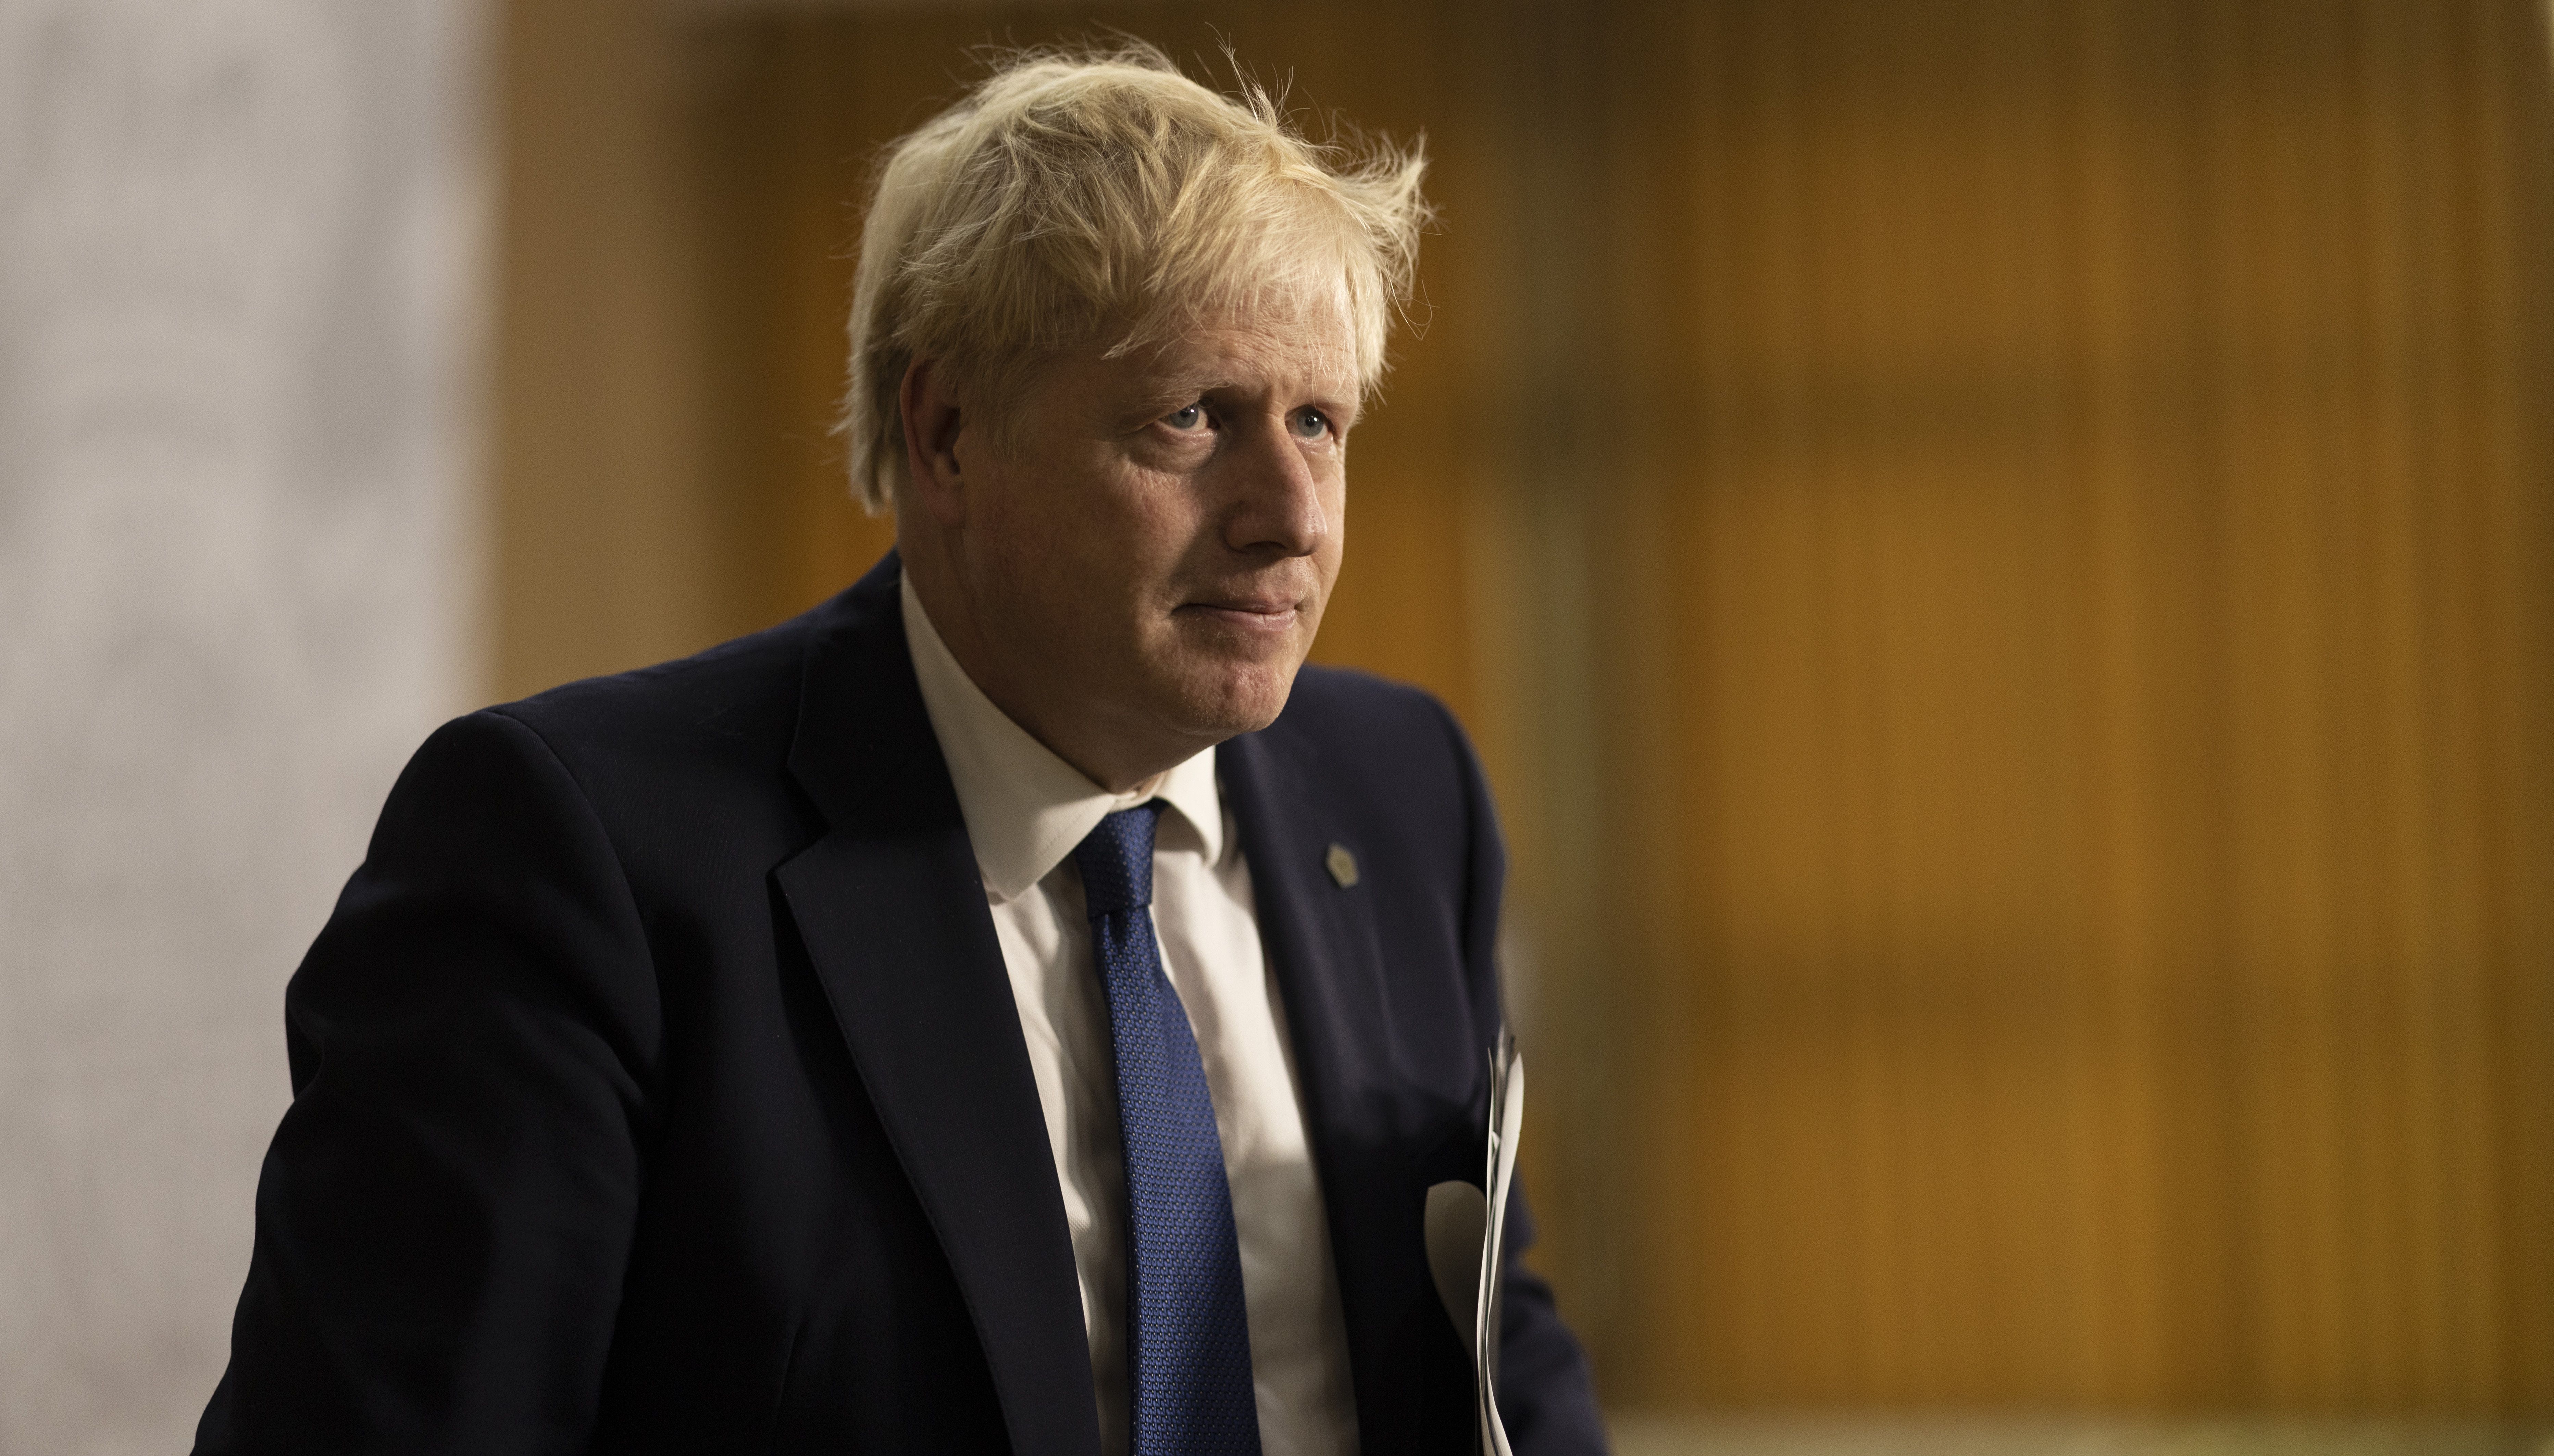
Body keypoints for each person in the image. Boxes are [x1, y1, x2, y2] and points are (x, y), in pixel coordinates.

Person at [197, 44, 1606, 1456]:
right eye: (1192, 417)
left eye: (1318, 422)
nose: (1290, 514)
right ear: (945, 435)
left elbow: (1494, 1352)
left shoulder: (1403, 790)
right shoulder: (579, 857)